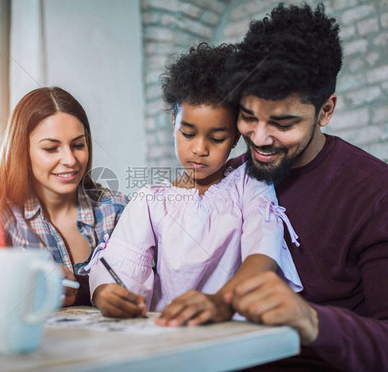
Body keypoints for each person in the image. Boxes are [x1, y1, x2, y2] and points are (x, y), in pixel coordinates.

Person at [158, 3, 388, 371]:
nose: (259, 138)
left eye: (283, 123)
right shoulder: (227, 177)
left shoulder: (381, 196)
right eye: (248, 117)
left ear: (325, 111)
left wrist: (311, 320)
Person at [87, 43, 302, 319]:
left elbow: (263, 254)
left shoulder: (250, 183)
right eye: (188, 134)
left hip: (230, 328)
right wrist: (106, 293)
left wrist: (223, 302)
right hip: (170, 332)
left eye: (216, 138)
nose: (200, 149)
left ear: (236, 136)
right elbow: (119, 265)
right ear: (173, 122)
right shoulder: (151, 201)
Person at [0, 87, 128, 313]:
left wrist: (84, 290)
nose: (70, 159)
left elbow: (155, 278)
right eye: (50, 148)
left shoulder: (116, 209)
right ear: (22, 151)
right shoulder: (6, 217)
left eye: (78, 145)